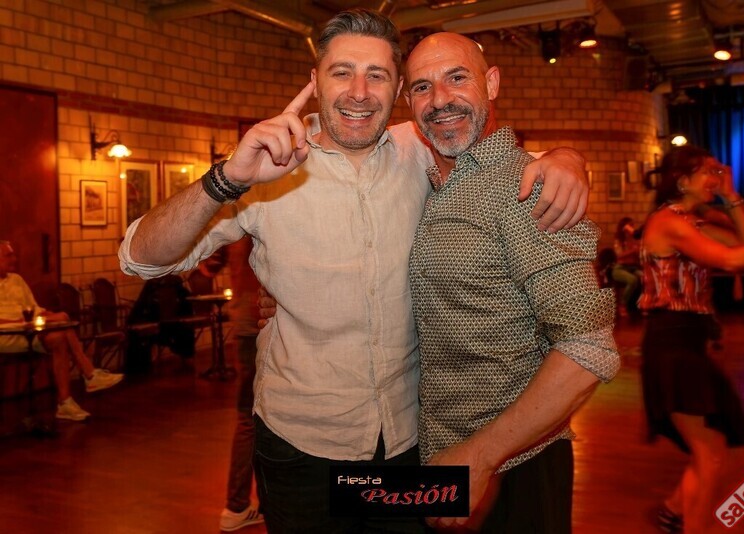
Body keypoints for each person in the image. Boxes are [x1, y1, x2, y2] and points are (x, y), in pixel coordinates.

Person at [119, 9, 589, 532]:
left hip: (407, 444)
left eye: (377, 75)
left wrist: (568, 158)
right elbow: (140, 257)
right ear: (315, 80)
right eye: (342, 72)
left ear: (399, 91)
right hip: (302, 448)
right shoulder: (265, 165)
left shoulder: (418, 147)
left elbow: (511, 160)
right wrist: (226, 178)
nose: (359, 92)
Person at [402, 33, 620, 532]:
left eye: (457, 78)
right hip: (440, 454)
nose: (440, 100)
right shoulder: (431, 182)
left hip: (514, 466)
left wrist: (482, 457)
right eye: (422, 87)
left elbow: (588, 349)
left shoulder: (527, 187)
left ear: (492, 83)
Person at [637, 145, 744, 533]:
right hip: (671, 345)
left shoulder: (693, 222)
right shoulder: (668, 222)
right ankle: (688, 523)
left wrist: (732, 196)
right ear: (683, 181)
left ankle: (673, 512)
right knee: (709, 452)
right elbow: (728, 260)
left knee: (729, 445)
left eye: (717, 172)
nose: (716, 178)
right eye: (707, 172)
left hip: (690, 345)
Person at [0, 240, 123, 421]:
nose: (14, 259)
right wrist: (23, 321)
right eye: (8, 256)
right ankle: (89, 374)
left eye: (13, 255)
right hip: (6, 336)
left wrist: (49, 315)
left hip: (29, 331)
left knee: (61, 329)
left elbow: (33, 308)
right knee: (63, 324)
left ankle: (65, 402)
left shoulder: (16, 280)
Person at [219, 238, 264, 532]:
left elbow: (208, 266)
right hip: (259, 324)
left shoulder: (234, 225)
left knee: (251, 418)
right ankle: (236, 505)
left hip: (245, 324)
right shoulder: (251, 226)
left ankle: (243, 503)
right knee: (251, 419)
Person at [611, 216, 642, 316]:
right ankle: (622, 304)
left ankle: (639, 304)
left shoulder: (633, 239)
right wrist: (633, 251)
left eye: (633, 225)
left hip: (633, 267)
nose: (632, 228)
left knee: (644, 277)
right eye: (630, 225)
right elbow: (619, 255)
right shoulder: (619, 240)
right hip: (620, 268)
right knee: (632, 280)